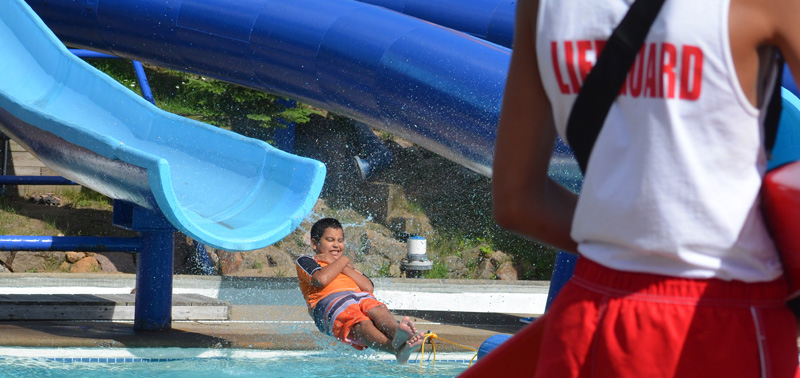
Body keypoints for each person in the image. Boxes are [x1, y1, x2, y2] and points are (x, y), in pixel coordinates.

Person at [461, 0, 800, 377]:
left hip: (585, 320)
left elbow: (517, 201)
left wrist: (626, 242)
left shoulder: (541, 6)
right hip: (723, 317)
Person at [295, 218, 424, 363]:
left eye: (340, 240)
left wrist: (342, 264)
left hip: (358, 296)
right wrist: (343, 261)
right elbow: (321, 279)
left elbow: (368, 287)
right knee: (361, 323)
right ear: (314, 243)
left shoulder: (345, 267)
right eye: (330, 240)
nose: (336, 245)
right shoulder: (307, 260)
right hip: (329, 303)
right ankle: (395, 349)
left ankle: (398, 334)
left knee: (378, 309)